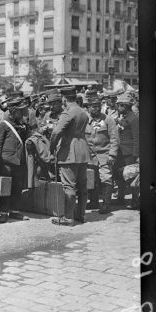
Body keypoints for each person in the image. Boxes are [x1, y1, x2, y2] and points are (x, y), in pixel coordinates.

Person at [50, 86, 91, 226]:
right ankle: (81, 215)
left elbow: (56, 132)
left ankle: (68, 218)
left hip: (69, 152)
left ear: (64, 98)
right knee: (82, 185)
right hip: (83, 151)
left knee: (69, 186)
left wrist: (52, 147)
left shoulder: (68, 113)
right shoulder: (83, 111)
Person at [0, 97, 30, 221]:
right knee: (5, 188)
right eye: (20, 111)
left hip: (19, 161)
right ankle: (3, 212)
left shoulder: (22, 125)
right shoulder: (3, 125)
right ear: (13, 111)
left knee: (17, 187)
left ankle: (14, 211)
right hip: (6, 163)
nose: (22, 114)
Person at [85, 96, 119, 214]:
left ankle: (106, 204)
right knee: (91, 179)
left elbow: (114, 138)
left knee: (106, 178)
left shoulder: (108, 120)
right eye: (94, 107)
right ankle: (93, 201)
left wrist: (112, 155)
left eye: (99, 106)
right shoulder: (85, 120)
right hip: (90, 155)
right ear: (88, 108)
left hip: (105, 154)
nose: (97, 109)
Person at [115, 93, 139, 209]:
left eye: (119, 105)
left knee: (131, 177)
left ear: (125, 106)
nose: (117, 108)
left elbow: (136, 138)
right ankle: (121, 198)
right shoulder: (124, 117)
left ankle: (135, 201)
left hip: (129, 153)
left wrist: (136, 155)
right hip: (121, 152)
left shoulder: (134, 118)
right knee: (120, 176)